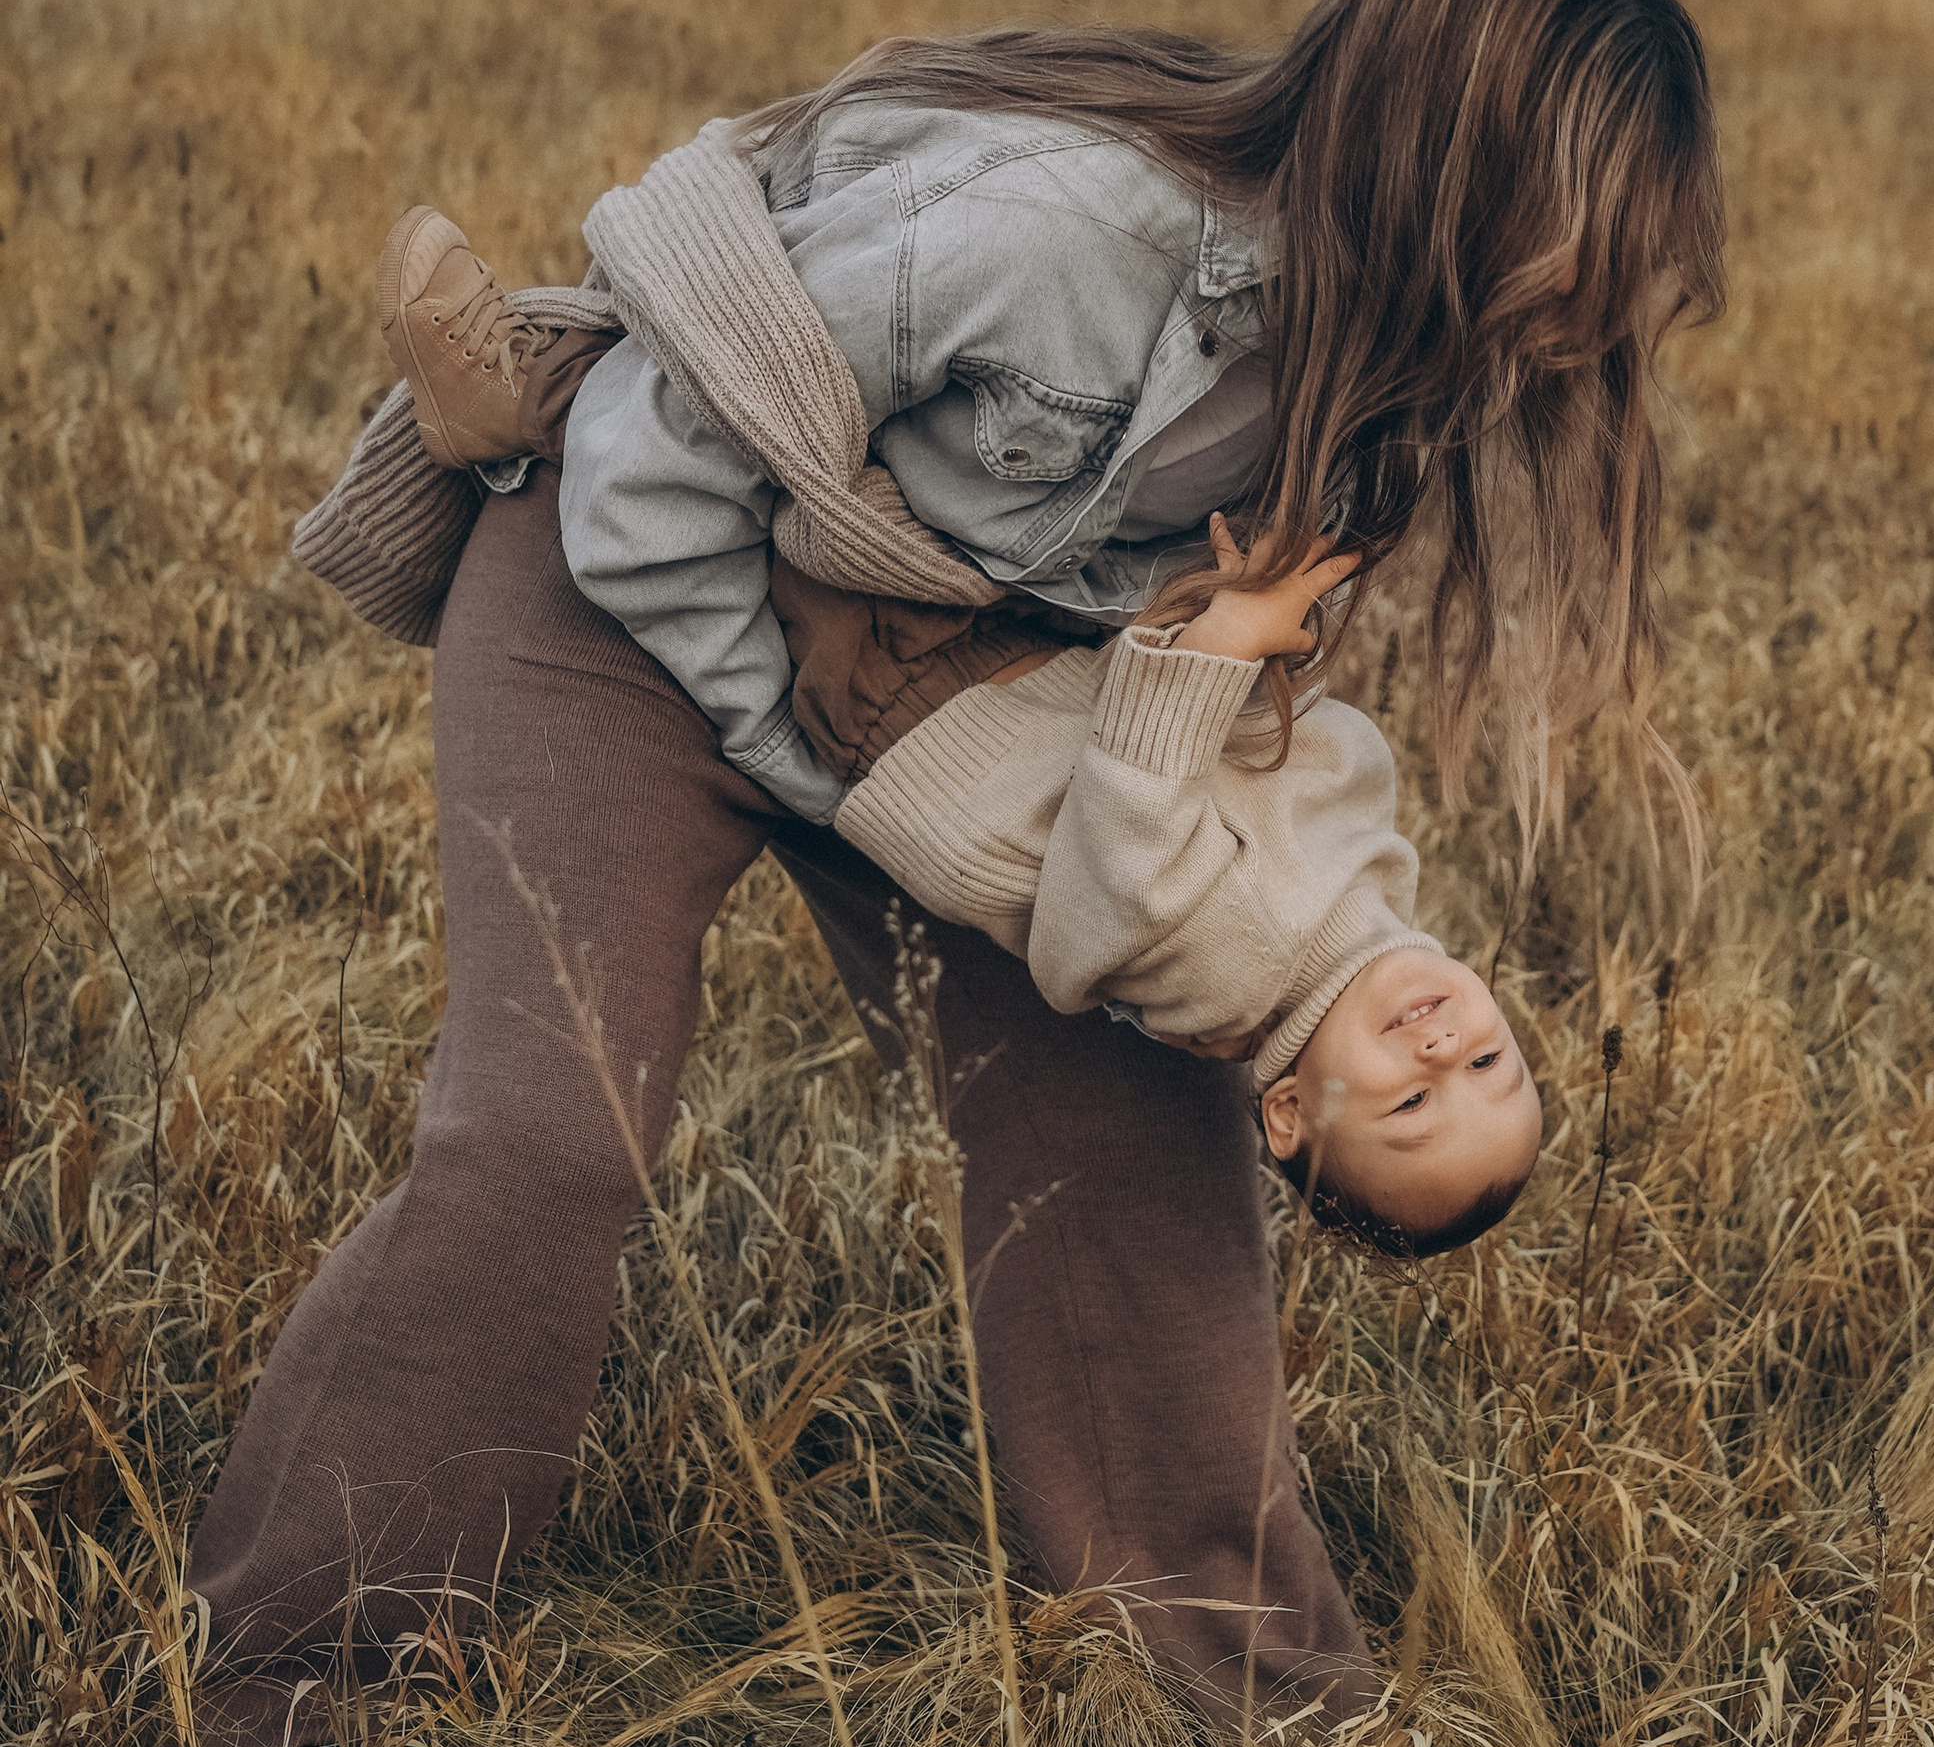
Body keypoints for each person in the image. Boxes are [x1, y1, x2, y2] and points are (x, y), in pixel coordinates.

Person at [188, 0, 1725, 1747]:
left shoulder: (1390, 377)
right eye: (1583, 255)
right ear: (1458, 159)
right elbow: (654, 455)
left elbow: (1204, 736)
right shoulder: (1074, 234)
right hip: (626, 592)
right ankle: (290, 1729)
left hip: (946, 705)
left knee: (1148, 1138)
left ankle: (1263, 1728)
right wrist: (846, 753)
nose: (1591, 321)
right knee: (546, 1136)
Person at [377, 197, 1545, 1251]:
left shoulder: (1232, 979)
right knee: (888, 467)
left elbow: (1124, 838)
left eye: (1406, 1101)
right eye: (1489, 1061)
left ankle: (538, 388)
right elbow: (1258, 748)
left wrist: (1226, 644)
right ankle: (738, 280)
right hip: (1025, 672)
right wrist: (1251, 611)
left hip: (918, 711)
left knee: (779, 488)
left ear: (1286, 1113)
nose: (1442, 1053)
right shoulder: (1365, 896)